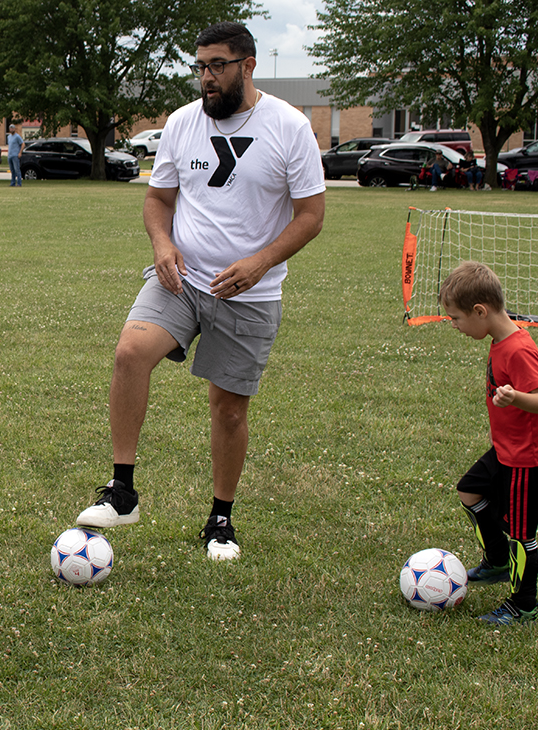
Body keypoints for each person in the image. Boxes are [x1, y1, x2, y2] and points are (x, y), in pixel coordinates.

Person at [74, 22, 325, 560]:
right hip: (181, 277)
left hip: (247, 293)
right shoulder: (183, 123)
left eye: (217, 66)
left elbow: (311, 216)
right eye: (201, 67)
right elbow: (158, 200)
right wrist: (162, 245)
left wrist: (260, 262)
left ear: (247, 66)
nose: (206, 78)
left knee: (228, 409)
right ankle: (122, 491)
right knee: (128, 353)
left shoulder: (288, 126)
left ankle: (220, 520)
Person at [439, 261, 538, 625]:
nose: (454, 326)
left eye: (456, 318)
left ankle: (524, 604)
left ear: (480, 311)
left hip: (527, 457)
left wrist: (516, 398)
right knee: (469, 491)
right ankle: (497, 561)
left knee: (522, 534)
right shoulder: (499, 341)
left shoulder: (518, 349)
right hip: (507, 448)